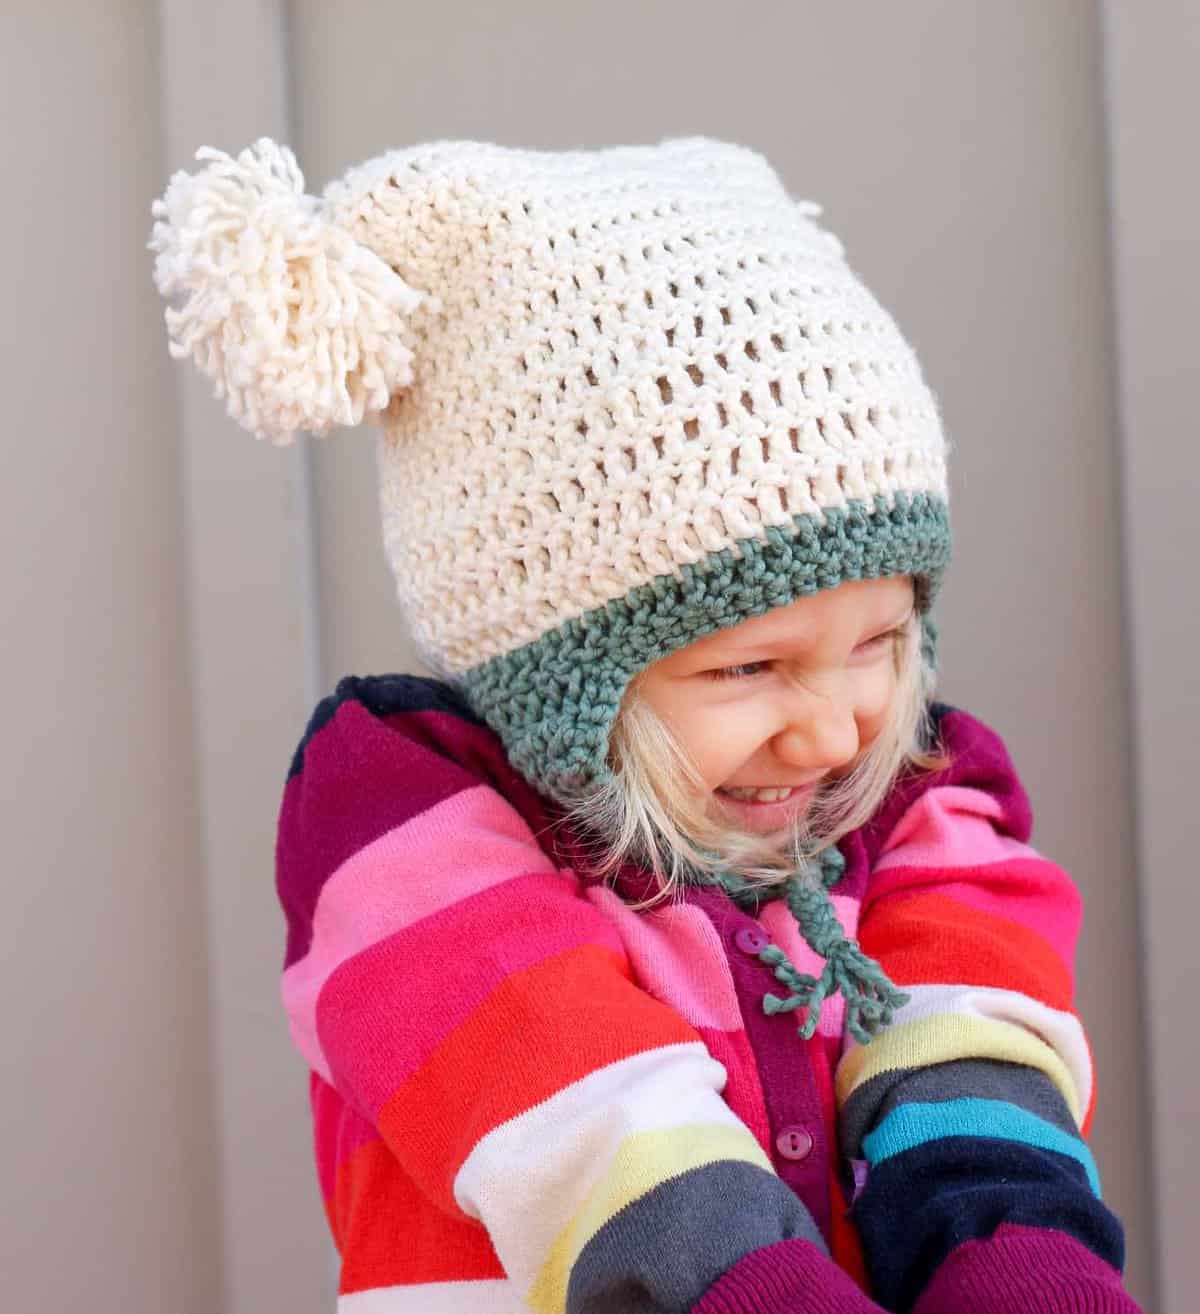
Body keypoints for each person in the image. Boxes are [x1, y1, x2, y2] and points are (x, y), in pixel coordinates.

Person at [149, 136, 1142, 1313]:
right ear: (557, 681)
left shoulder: (918, 803)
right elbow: (604, 1150)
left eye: (879, 645)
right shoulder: (407, 842)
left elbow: (978, 1079)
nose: (832, 734)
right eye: (750, 668)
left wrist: (1020, 1271)